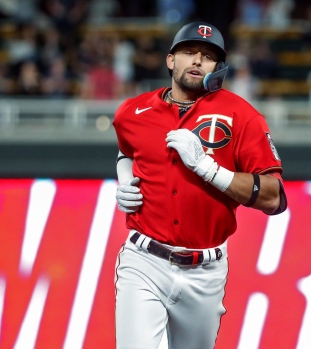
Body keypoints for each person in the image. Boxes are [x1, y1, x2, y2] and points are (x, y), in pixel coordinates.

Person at [111, 21, 287, 349]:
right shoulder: (132, 112)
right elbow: (125, 150)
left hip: (205, 270)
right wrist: (124, 179)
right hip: (144, 259)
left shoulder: (243, 116)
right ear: (170, 60)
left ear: (217, 68)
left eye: (207, 56)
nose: (197, 60)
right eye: (189, 52)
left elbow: (274, 197)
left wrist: (207, 168)